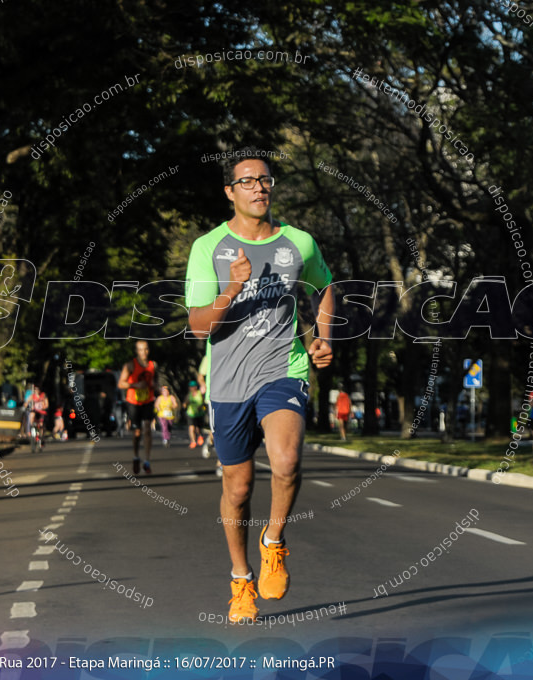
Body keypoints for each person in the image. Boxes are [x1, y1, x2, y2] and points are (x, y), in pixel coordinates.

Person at [185, 151, 335, 623]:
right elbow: (196, 326)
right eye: (247, 181)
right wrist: (230, 290)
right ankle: (241, 578)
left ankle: (273, 543)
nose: (258, 188)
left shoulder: (299, 243)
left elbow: (325, 287)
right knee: (239, 485)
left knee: (287, 462)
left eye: (265, 180)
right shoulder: (208, 247)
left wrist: (323, 337)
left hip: (283, 369)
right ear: (230, 192)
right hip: (228, 381)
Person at [118, 340, 156, 474]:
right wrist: (135, 385)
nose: (144, 352)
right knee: (137, 432)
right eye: (141, 349)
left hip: (148, 400)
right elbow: (121, 384)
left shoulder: (153, 365)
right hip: (133, 401)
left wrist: (153, 385)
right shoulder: (130, 366)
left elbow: (155, 382)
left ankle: (147, 460)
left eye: (146, 349)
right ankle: (136, 456)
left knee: (147, 429)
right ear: (136, 351)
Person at [184, 380, 207, 450]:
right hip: (191, 413)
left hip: (199, 413)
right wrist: (184, 405)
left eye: (193, 386)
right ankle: (193, 441)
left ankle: (200, 436)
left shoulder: (200, 393)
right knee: (191, 427)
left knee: (197, 428)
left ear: (196, 387)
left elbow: (204, 401)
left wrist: (201, 407)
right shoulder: (189, 395)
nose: (192, 388)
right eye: (190, 387)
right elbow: (185, 402)